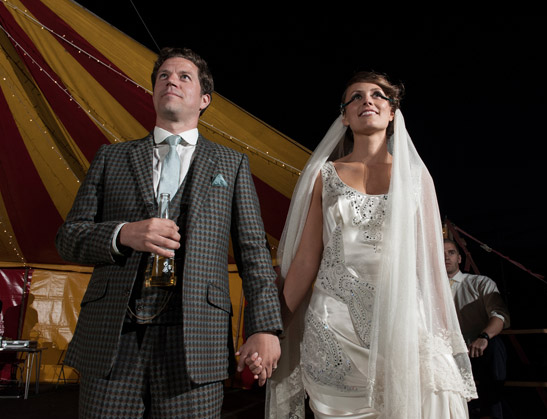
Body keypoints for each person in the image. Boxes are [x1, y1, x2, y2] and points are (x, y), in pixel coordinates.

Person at [55, 47, 282, 418]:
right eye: (163, 76)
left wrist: (266, 327)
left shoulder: (232, 164)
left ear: (204, 99)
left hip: (195, 340)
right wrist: (122, 234)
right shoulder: (111, 157)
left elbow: (254, 253)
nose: (171, 81)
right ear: (153, 92)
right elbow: (69, 238)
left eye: (183, 76)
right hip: (114, 336)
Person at [256, 71, 476, 418]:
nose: (366, 101)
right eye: (355, 97)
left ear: (392, 112)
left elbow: (431, 265)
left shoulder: (417, 177)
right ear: (344, 116)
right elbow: (304, 262)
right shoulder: (323, 175)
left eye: (377, 95)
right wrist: (272, 329)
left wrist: (441, 340)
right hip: (334, 327)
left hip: (404, 325)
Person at [444, 239, 510, 419]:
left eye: (450, 252)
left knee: (495, 346)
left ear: (459, 258)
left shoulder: (480, 283)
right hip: (446, 353)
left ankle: (495, 412)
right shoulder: (430, 289)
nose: (446, 257)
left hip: (478, 349)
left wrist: (484, 337)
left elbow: (499, 315)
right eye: (441, 253)